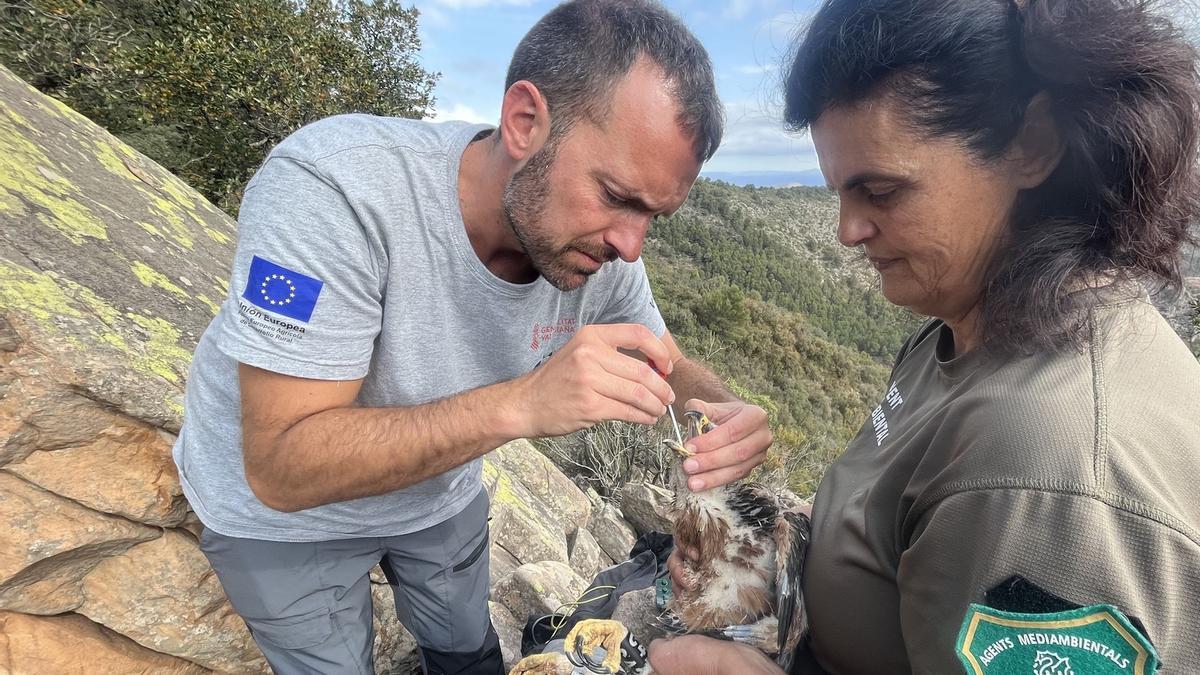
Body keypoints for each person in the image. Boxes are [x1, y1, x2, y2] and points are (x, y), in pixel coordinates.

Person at [172, 1, 773, 673]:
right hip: (288, 525)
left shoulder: (595, 250)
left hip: (437, 494)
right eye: (615, 195)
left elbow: (670, 361)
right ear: (525, 122)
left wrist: (718, 409)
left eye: (653, 215)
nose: (631, 245)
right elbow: (280, 465)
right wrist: (519, 404)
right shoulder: (337, 190)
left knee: (466, 651)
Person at [650, 0, 1200, 672]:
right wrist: (762, 557)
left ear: (1033, 144)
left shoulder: (1044, 469)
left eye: (880, 191)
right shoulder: (965, 327)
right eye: (838, 193)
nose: (846, 230)